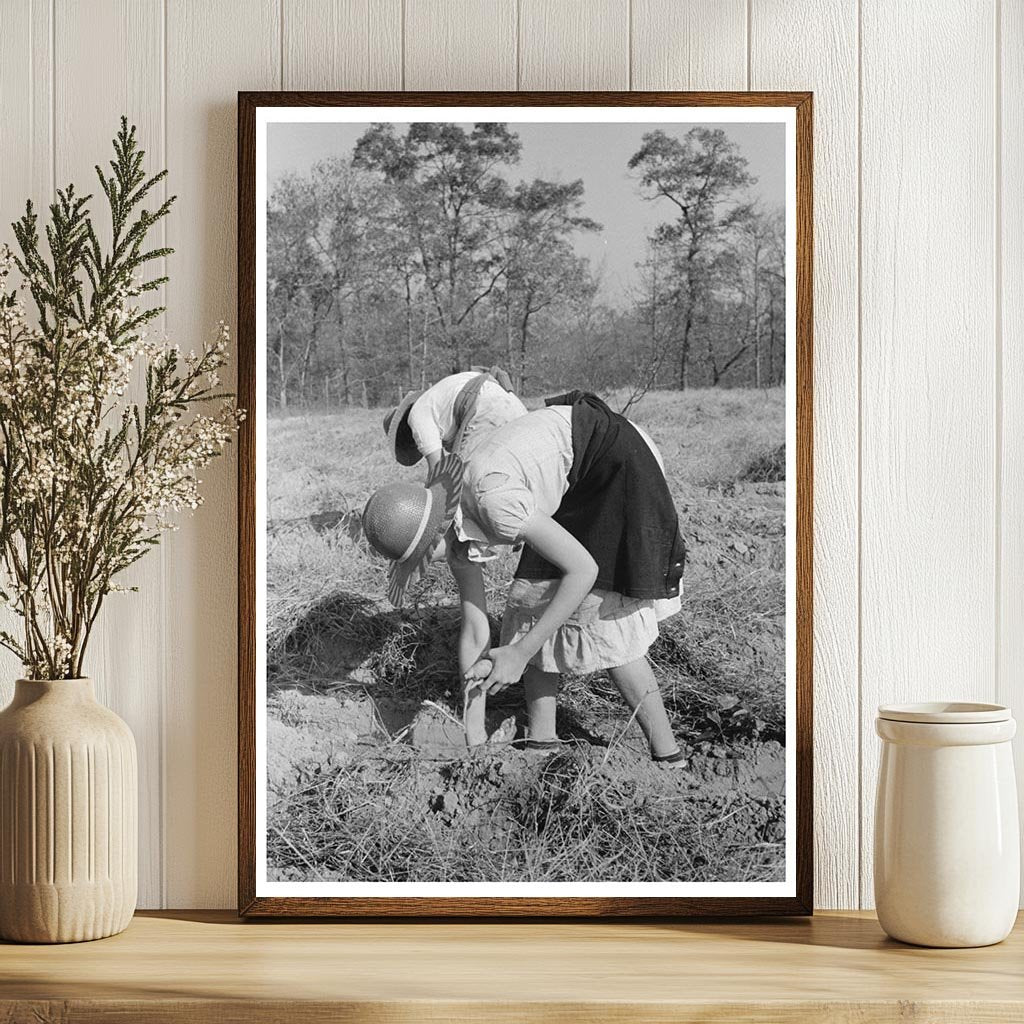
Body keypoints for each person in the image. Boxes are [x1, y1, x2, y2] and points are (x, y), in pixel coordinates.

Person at [364, 391, 687, 765]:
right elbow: (474, 630)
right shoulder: (452, 531)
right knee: (527, 604)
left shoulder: (492, 502)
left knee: (600, 613)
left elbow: (584, 571)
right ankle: (542, 743)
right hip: (570, 480)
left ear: (431, 535)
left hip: (616, 463)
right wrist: (475, 733)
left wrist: (521, 653)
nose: (427, 567)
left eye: (420, 559)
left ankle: (669, 756)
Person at [382, 367, 527, 473]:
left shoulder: (417, 416)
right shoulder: (437, 400)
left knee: (467, 484)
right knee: (521, 472)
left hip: (486, 410)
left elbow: (438, 470)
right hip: (513, 404)